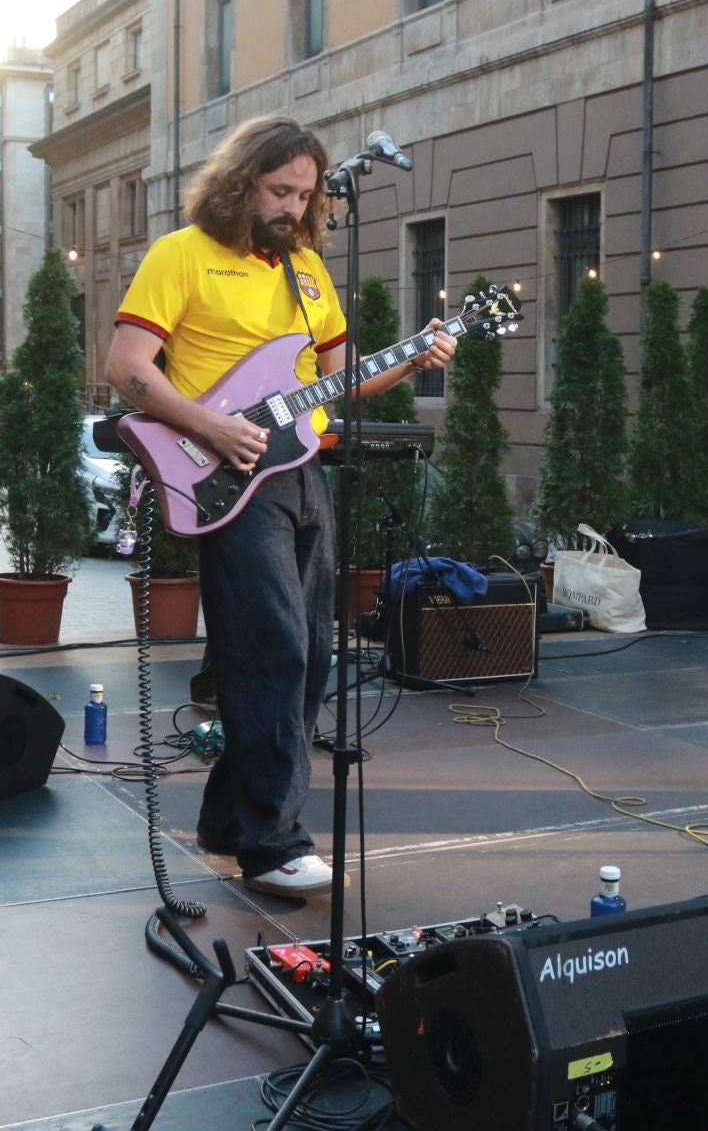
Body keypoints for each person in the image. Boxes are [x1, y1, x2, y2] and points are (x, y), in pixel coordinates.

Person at [105, 115, 455, 895]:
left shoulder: (305, 271)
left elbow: (344, 376)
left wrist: (418, 356)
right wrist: (210, 426)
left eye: (306, 194)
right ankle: (273, 843)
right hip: (227, 477)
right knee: (272, 651)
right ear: (240, 184)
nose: (294, 208)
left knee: (310, 661)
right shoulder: (181, 256)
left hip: (302, 473)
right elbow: (128, 366)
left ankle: (227, 819)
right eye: (279, 190)